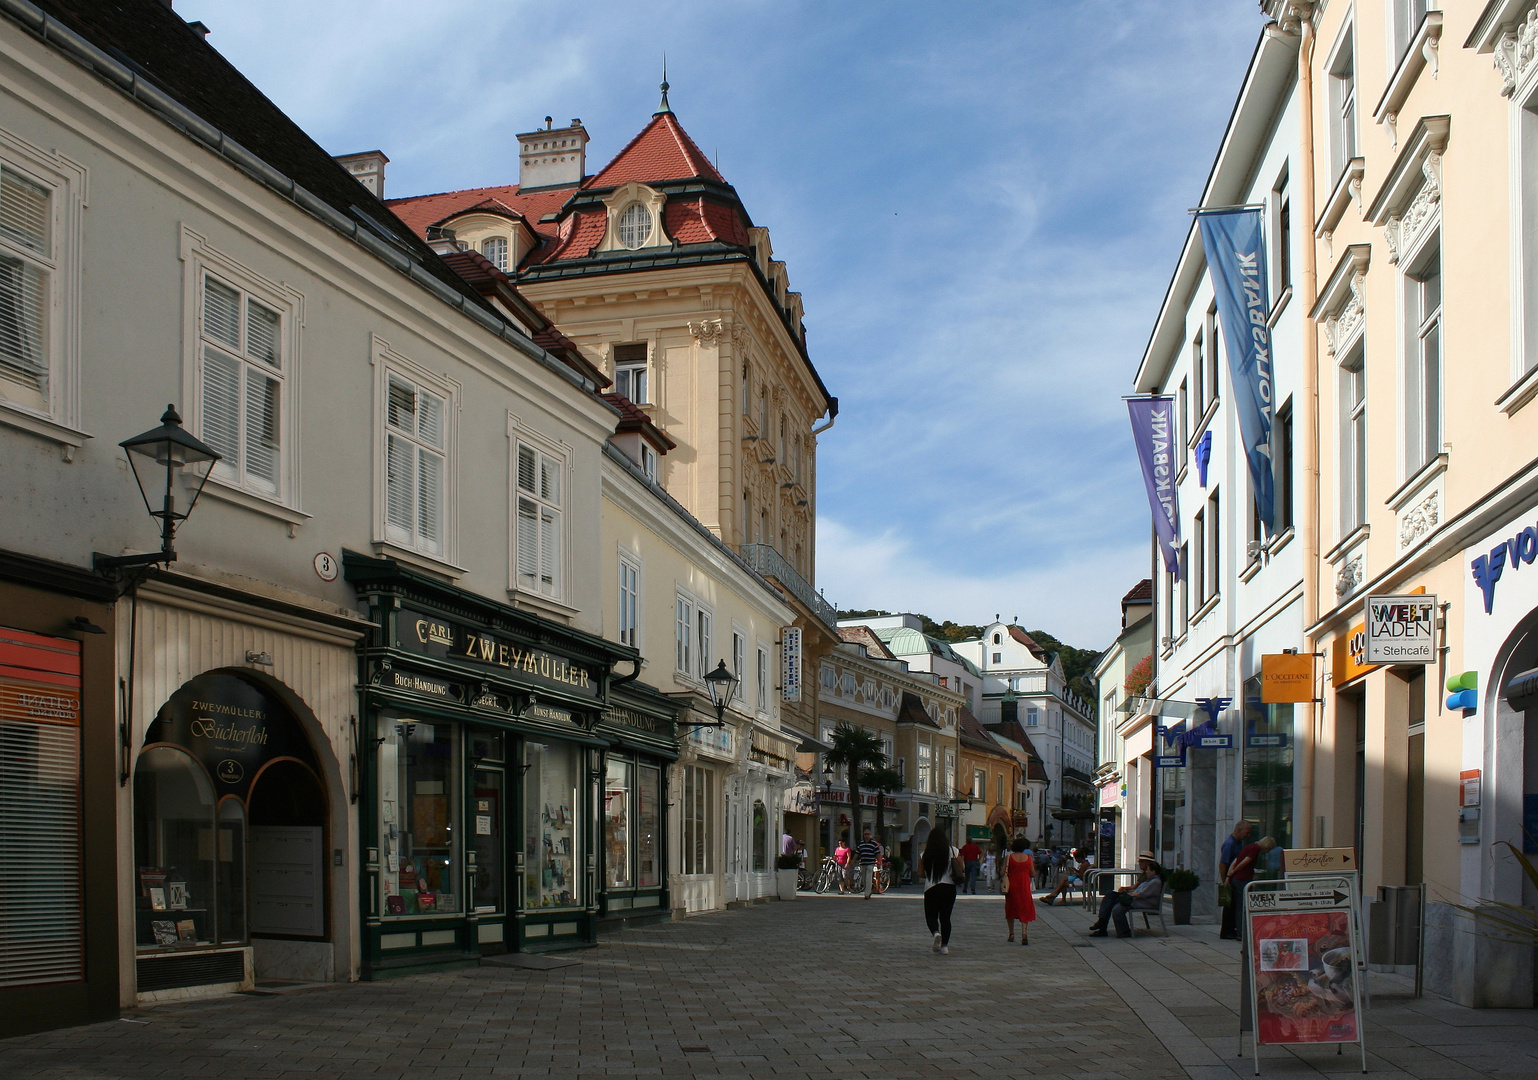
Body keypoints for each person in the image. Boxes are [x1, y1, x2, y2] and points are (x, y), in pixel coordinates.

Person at [1087, 852, 1165, 938]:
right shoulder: (1147, 877)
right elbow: (1137, 889)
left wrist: (1129, 893)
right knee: (1110, 898)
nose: (1140, 864)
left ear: (1152, 869)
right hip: (1136, 899)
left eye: (1142, 861)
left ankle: (1104, 924)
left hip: (1140, 901)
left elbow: (1141, 893)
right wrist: (1126, 891)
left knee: (1112, 900)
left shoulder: (1153, 881)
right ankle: (1103, 926)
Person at [1224, 836, 1277, 941]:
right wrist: (1232, 873)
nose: (1267, 852)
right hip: (1242, 879)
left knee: (1239, 905)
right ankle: (1241, 931)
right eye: (1269, 849)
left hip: (1237, 878)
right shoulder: (1255, 849)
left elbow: (1236, 861)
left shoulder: (1249, 846)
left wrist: (1230, 875)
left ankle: (1240, 930)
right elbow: (1245, 862)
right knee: (1242, 905)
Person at [920, 827, 964, 954]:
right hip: (949, 887)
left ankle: (935, 933)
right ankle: (944, 946)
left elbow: (920, 873)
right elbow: (961, 868)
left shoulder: (924, 854)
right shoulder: (953, 851)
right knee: (945, 917)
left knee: (931, 915)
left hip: (931, 888)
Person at [1218, 820, 1253, 940]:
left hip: (1233, 877)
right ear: (1238, 830)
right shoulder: (1230, 844)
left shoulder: (1237, 843)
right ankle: (1227, 931)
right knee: (1231, 906)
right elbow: (1223, 863)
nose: (1247, 835)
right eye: (1246, 832)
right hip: (1231, 878)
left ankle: (1230, 929)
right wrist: (1225, 881)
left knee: (1233, 905)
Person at [1002, 837, 1038, 944]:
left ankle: (1011, 933)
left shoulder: (1009, 857)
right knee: (1025, 907)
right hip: (1024, 886)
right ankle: (1024, 932)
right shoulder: (1028, 858)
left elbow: (1002, 872)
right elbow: (1033, 873)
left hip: (1012, 886)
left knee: (1011, 908)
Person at [856, 827, 882, 898]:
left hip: (870, 863)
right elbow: (857, 853)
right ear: (863, 835)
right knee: (864, 879)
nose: (866, 835)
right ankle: (869, 890)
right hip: (863, 863)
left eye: (868, 834)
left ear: (870, 835)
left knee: (868, 878)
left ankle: (866, 894)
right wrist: (853, 862)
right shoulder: (861, 844)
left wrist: (879, 862)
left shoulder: (874, 844)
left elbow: (877, 853)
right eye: (865, 834)